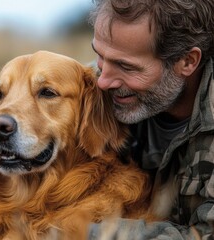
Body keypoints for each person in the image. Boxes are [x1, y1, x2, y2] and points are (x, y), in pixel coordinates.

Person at [88, 0, 214, 239]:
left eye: (126, 66)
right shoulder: (87, 93)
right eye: (100, 56)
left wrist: (82, 232)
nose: (102, 81)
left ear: (187, 62)